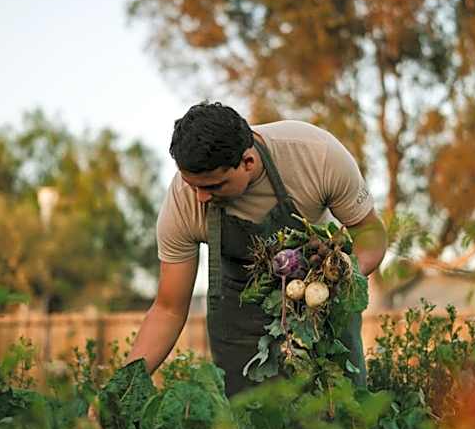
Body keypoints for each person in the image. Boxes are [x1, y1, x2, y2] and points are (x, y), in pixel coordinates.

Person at [122, 102, 387, 397]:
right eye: (192, 185)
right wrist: (122, 388)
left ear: (248, 162)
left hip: (319, 304)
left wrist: (335, 278)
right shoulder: (183, 202)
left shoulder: (317, 155)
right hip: (240, 319)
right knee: (250, 417)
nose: (200, 198)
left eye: (213, 186)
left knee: (337, 406)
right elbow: (168, 310)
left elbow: (370, 233)